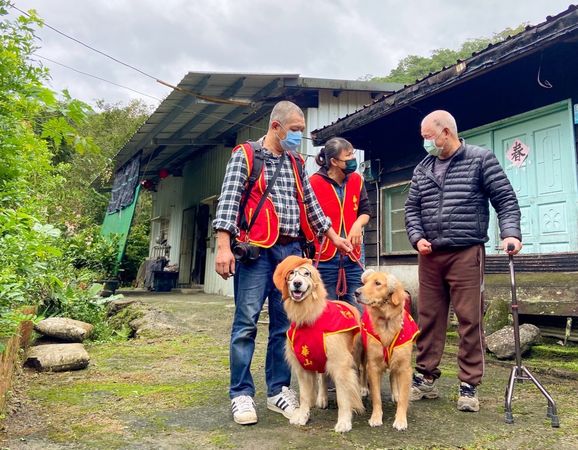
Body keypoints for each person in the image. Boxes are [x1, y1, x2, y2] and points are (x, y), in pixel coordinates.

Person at [213, 100, 353, 425]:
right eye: (294, 131)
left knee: (283, 326)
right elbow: (229, 201)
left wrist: (335, 238)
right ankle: (241, 394)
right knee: (246, 322)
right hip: (256, 252)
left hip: (289, 253)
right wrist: (223, 246)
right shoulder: (246, 155)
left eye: (301, 131)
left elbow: (312, 204)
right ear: (276, 127)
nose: (298, 137)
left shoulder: (296, 162)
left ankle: (278, 390)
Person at [404, 110, 522, 412]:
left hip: (466, 252)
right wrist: (417, 238)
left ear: (446, 132)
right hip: (430, 255)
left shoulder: (480, 159)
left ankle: (469, 385)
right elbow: (411, 209)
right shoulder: (422, 168)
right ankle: (426, 377)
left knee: (470, 319)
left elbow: (505, 199)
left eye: (428, 136)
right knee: (428, 318)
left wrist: (510, 233)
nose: (425, 142)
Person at [310, 137, 371, 310]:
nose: (353, 159)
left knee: (358, 309)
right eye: (348, 156)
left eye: (353, 154)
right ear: (334, 161)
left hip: (354, 254)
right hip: (325, 257)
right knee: (327, 310)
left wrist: (358, 225)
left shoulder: (357, 180)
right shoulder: (313, 183)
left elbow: (365, 211)